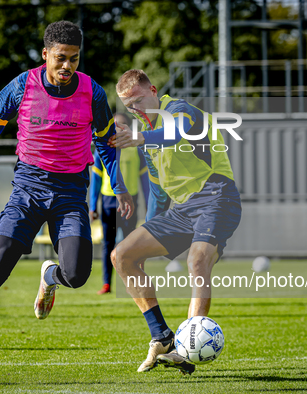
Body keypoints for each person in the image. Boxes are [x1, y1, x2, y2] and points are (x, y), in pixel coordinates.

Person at [0, 21, 134, 381]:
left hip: (70, 193)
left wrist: (119, 185)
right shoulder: (22, 86)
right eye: (61, 58)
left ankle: (50, 274)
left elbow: (106, 143)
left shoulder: (93, 93)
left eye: (75, 59)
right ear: (46, 55)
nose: (67, 66)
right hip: (28, 188)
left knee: (77, 274)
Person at [109, 69, 242, 375]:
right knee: (123, 256)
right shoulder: (147, 138)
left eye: (140, 101)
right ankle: (162, 337)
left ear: (153, 90)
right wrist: (149, 233)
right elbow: (157, 192)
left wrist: (140, 136)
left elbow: (176, 133)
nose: (137, 110)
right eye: (130, 107)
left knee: (197, 261)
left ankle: (187, 348)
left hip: (216, 196)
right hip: (182, 210)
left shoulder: (178, 110)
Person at [90, 112, 149, 295]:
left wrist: (149, 204)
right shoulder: (102, 149)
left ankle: (134, 283)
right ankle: (107, 284)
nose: (118, 128)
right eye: (115, 125)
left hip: (131, 202)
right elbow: (96, 181)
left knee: (132, 245)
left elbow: (145, 180)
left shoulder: (137, 150)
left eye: (122, 125)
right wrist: (92, 206)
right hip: (108, 201)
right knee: (108, 244)